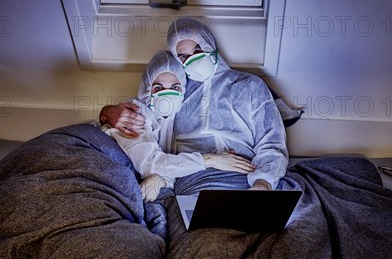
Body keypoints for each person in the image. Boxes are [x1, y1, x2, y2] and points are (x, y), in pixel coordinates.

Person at [100, 17, 289, 191]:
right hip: (191, 181)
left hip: (244, 177)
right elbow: (147, 118)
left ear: (209, 44)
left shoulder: (249, 85)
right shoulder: (175, 94)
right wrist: (108, 112)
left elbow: (272, 143)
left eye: (197, 50)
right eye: (183, 57)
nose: (193, 59)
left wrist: (263, 183)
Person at [103, 50, 255, 201]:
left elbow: (169, 164)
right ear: (147, 89)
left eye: (175, 88)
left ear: (183, 90)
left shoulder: (171, 121)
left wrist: (161, 180)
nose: (167, 95)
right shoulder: (135, 114)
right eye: (158, 88)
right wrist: (209, 160)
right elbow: (150, 163)